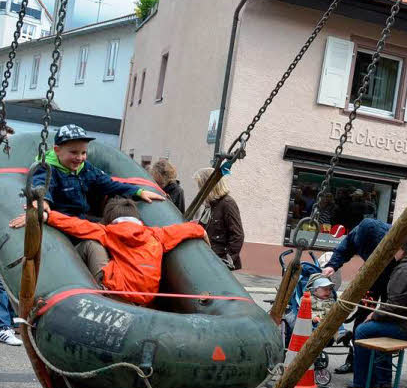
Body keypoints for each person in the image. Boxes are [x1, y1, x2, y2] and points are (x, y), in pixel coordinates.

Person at [43, 197, 206, 306]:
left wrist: (48, 217)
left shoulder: (108, 232)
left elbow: (77, 225)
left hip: (117, 292)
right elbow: (187, 229)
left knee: (91, 244)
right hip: (146, 300)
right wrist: (201, 231)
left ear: (110, 219)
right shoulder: (157, 234)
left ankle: (70, 276)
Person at [10, 124, 164, 228]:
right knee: (93, 241)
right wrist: (42, 202)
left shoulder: (86, 169)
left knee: (111, 229)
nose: (80, 157)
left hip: (82, 217)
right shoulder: (48, 168)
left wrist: (138, 191)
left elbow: (108, 184)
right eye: (74, 152)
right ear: (57, 150)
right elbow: (41, 184)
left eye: (83, 153)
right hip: (61, 219)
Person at [351, 234, 407, 388]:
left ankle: (364, 383)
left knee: (363, 330)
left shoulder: (406, 268)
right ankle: (384, 380)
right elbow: (397, 306)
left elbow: (394, 306)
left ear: (401, 250)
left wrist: (374, 315)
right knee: (378, 328)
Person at [320, 216, 394, 375]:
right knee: (362, 318)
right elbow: (343, 249)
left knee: (387, 318)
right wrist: (332, 265)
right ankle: (353, 361)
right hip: (371, 277)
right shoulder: (358, 233)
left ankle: (382, 367)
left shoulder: (392, 235)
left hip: (392, 279)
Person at [194, 168, 244, 270]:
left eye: (201, 186)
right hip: (208, 259)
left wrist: (227, 261)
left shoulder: (227, 203)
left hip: (219, 262)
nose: (200, 190)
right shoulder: (211, 205)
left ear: (210, 186)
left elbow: (237, 235)